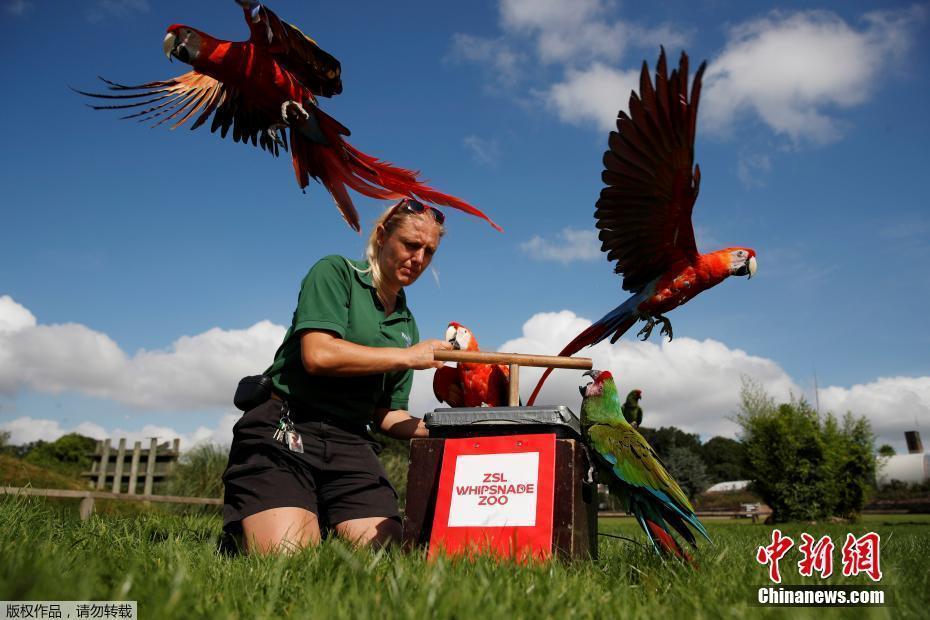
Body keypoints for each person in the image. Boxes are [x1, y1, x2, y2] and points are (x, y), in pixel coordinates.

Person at [222, 198, 453, 554]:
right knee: (289, 555)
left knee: (387, 554)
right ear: (381, 237)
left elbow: (386, 415)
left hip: (351, 443)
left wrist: (448, 428)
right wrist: (408, 357)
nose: (418, 259)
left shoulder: (407, 323)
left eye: (429, 251)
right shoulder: (336, 272)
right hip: (287, 428)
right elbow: (318, 354)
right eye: (410, 244)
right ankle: (252, 525)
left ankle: (319, 514)